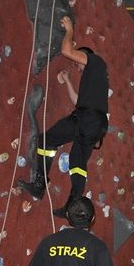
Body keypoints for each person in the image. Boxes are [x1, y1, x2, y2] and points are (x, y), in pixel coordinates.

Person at [19, 15, 109, 219]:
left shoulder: (95, 62)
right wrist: (68, 80)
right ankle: (57, 197)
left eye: (78, 65)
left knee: (59, 149)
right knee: (67, 156)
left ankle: (53, 194)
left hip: (88, 119)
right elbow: (78, 101)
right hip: (90, 120)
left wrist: (69, 30)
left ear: (83, 56)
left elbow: (67, 51)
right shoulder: (94, 81)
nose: (77, 68)